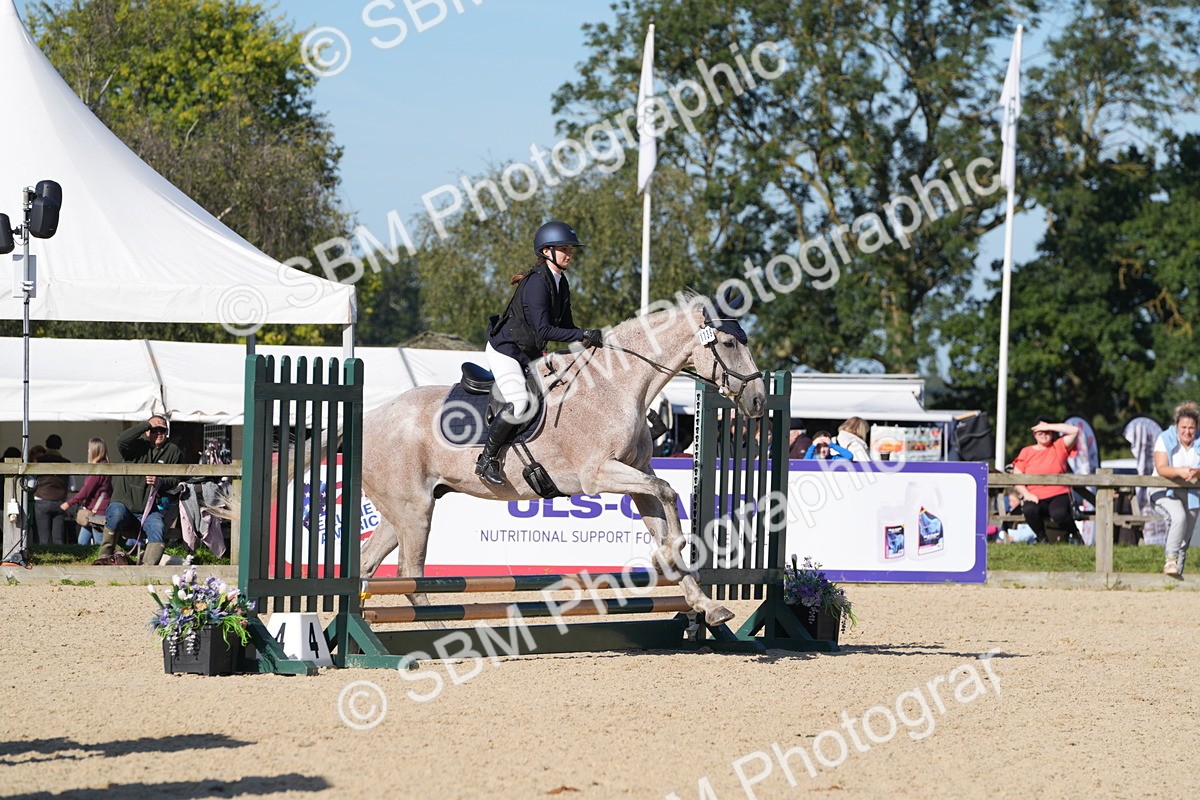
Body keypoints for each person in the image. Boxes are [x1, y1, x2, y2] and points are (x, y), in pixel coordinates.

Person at [477, 220, 602, 485]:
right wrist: (583, 335)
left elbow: (566, 327)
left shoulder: (560, 281)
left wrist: (592, 339)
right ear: (547, 251)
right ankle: (487, 460)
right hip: (506, 351)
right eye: (564, 248)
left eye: (570, 249)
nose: (569, 253)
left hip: (528, 352)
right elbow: (545, 331)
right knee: (520, 402)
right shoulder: (537, 283)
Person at [97, 415, 184, 566]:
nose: (158, 433)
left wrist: (160, 482)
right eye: (154, 430)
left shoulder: (173, 451)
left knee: (158, 528)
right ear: (147, 431)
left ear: (167, 432)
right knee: (116, 515)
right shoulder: (135, 446)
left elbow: (176, 479)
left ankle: (146, 569)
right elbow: (120, 440)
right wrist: (145, 424)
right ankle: (104, 558)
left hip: (150, 508)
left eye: (162, 430)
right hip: (123, 503)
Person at [1011, 417, 1081, 543]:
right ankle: (1041, 538)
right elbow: (1017, 476)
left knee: (1059, 513)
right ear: (1034, 435)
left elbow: (1075, 431)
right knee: (1029, 509)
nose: (1044, 435)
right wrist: (1027, 494)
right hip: (1035, 495)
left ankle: (1074, 533)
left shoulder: (1059, 446)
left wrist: (1048, 426)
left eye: (1047, 432)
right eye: (1040, 432)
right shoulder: (1026, 451)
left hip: (1059, 494)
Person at [1152, 402, 1200, 577]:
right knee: (1178, 517)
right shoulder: (1164, 439)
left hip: (1192, 491)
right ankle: (1170, 560)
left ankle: (1176, 573)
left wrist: (1197, 472)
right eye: (1184, 427)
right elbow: (1161, 467)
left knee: (1186, 533)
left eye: (1191, 428)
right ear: (1177, 426)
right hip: (1163, 489)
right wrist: (1180, 471)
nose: (1187, 432)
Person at [61, 438, 112, 546]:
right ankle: (80, 559)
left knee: (99, 543)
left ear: (94, 450)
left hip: (97, 511)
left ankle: (101, 561)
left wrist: (69, 503)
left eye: (89, 449)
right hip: (94, 510)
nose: (88, 451)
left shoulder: (98, 470)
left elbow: (86, 491)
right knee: (81, 543)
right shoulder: (106, 467)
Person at [32, 435, 71, 545]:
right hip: (60, 501)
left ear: (46, 444)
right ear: (60, 446)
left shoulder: (38, 461)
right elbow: (72, 486)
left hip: (41, 499)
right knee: (58, 539)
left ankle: (44, 559)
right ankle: (59, 560)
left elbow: (32, 482)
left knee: (43, 538)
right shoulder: (67, 463)